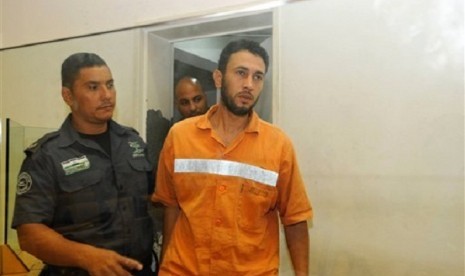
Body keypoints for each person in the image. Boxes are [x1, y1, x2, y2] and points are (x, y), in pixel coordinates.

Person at [152, 39, 313, 275]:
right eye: (241, 73)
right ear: (218, 78)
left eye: (258, 77)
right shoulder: (179, 136)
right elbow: (171, 207)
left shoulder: (278, 145)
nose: (249, 84)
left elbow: (295, 219)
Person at [12, 53, 154, 276]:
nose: (107, 95)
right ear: (68, 95)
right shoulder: (47, 155)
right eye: (93, 87)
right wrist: (87, 257)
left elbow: (155, 202)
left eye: (110, 85)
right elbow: (29, 234)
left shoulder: (133, 143)